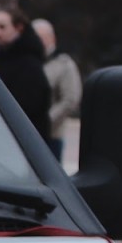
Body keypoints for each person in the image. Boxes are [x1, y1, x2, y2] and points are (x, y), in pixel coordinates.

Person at [0, 6, 51, 144]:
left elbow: (31, 106)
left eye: (2, 27)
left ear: (18, 28)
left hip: (23, 140)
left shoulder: (29, 63)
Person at [34, 17, 82, 166]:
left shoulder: (64, 64)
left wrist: (46, 121)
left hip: (51, 135)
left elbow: (70, 99)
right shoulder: (32, 62)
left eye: (40, 37)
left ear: (51, 38)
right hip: (29, 134)